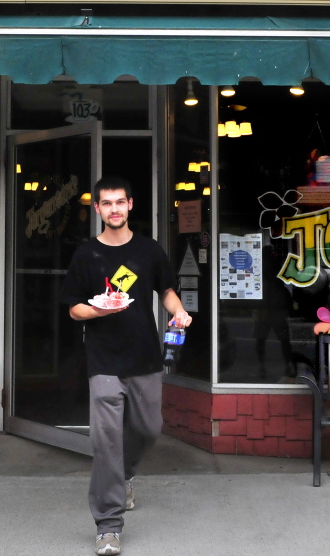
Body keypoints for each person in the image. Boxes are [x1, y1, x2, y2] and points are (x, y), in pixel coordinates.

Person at [60, 176, 193, 556]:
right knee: (105, 443)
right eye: (107, 203)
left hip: (145, 356)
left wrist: (179, 312)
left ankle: (125, 475)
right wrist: (99, 308)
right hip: (102, 359)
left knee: (150, 429)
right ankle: (108, 526)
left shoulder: (148, 250)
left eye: (121, 202)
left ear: (130, 205)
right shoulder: (86, 254)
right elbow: (73, 308)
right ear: (97, 209)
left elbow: (165, 290)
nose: (114, 209)